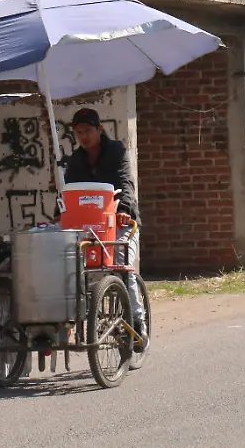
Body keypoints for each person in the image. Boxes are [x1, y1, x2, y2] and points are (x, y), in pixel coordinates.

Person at [64, 108, 145, 339]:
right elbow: (69, 192)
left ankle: (137, 324)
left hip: (121, 223)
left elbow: (125, 182)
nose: (84, 136)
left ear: (99, 129)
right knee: (72, 265)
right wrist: (59, 214)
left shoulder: (116, 152)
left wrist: (124, 210)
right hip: (90, 226)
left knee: (121, 265)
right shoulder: (76, 161)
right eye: (79, 132)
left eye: (88, 130)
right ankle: (83, 317)